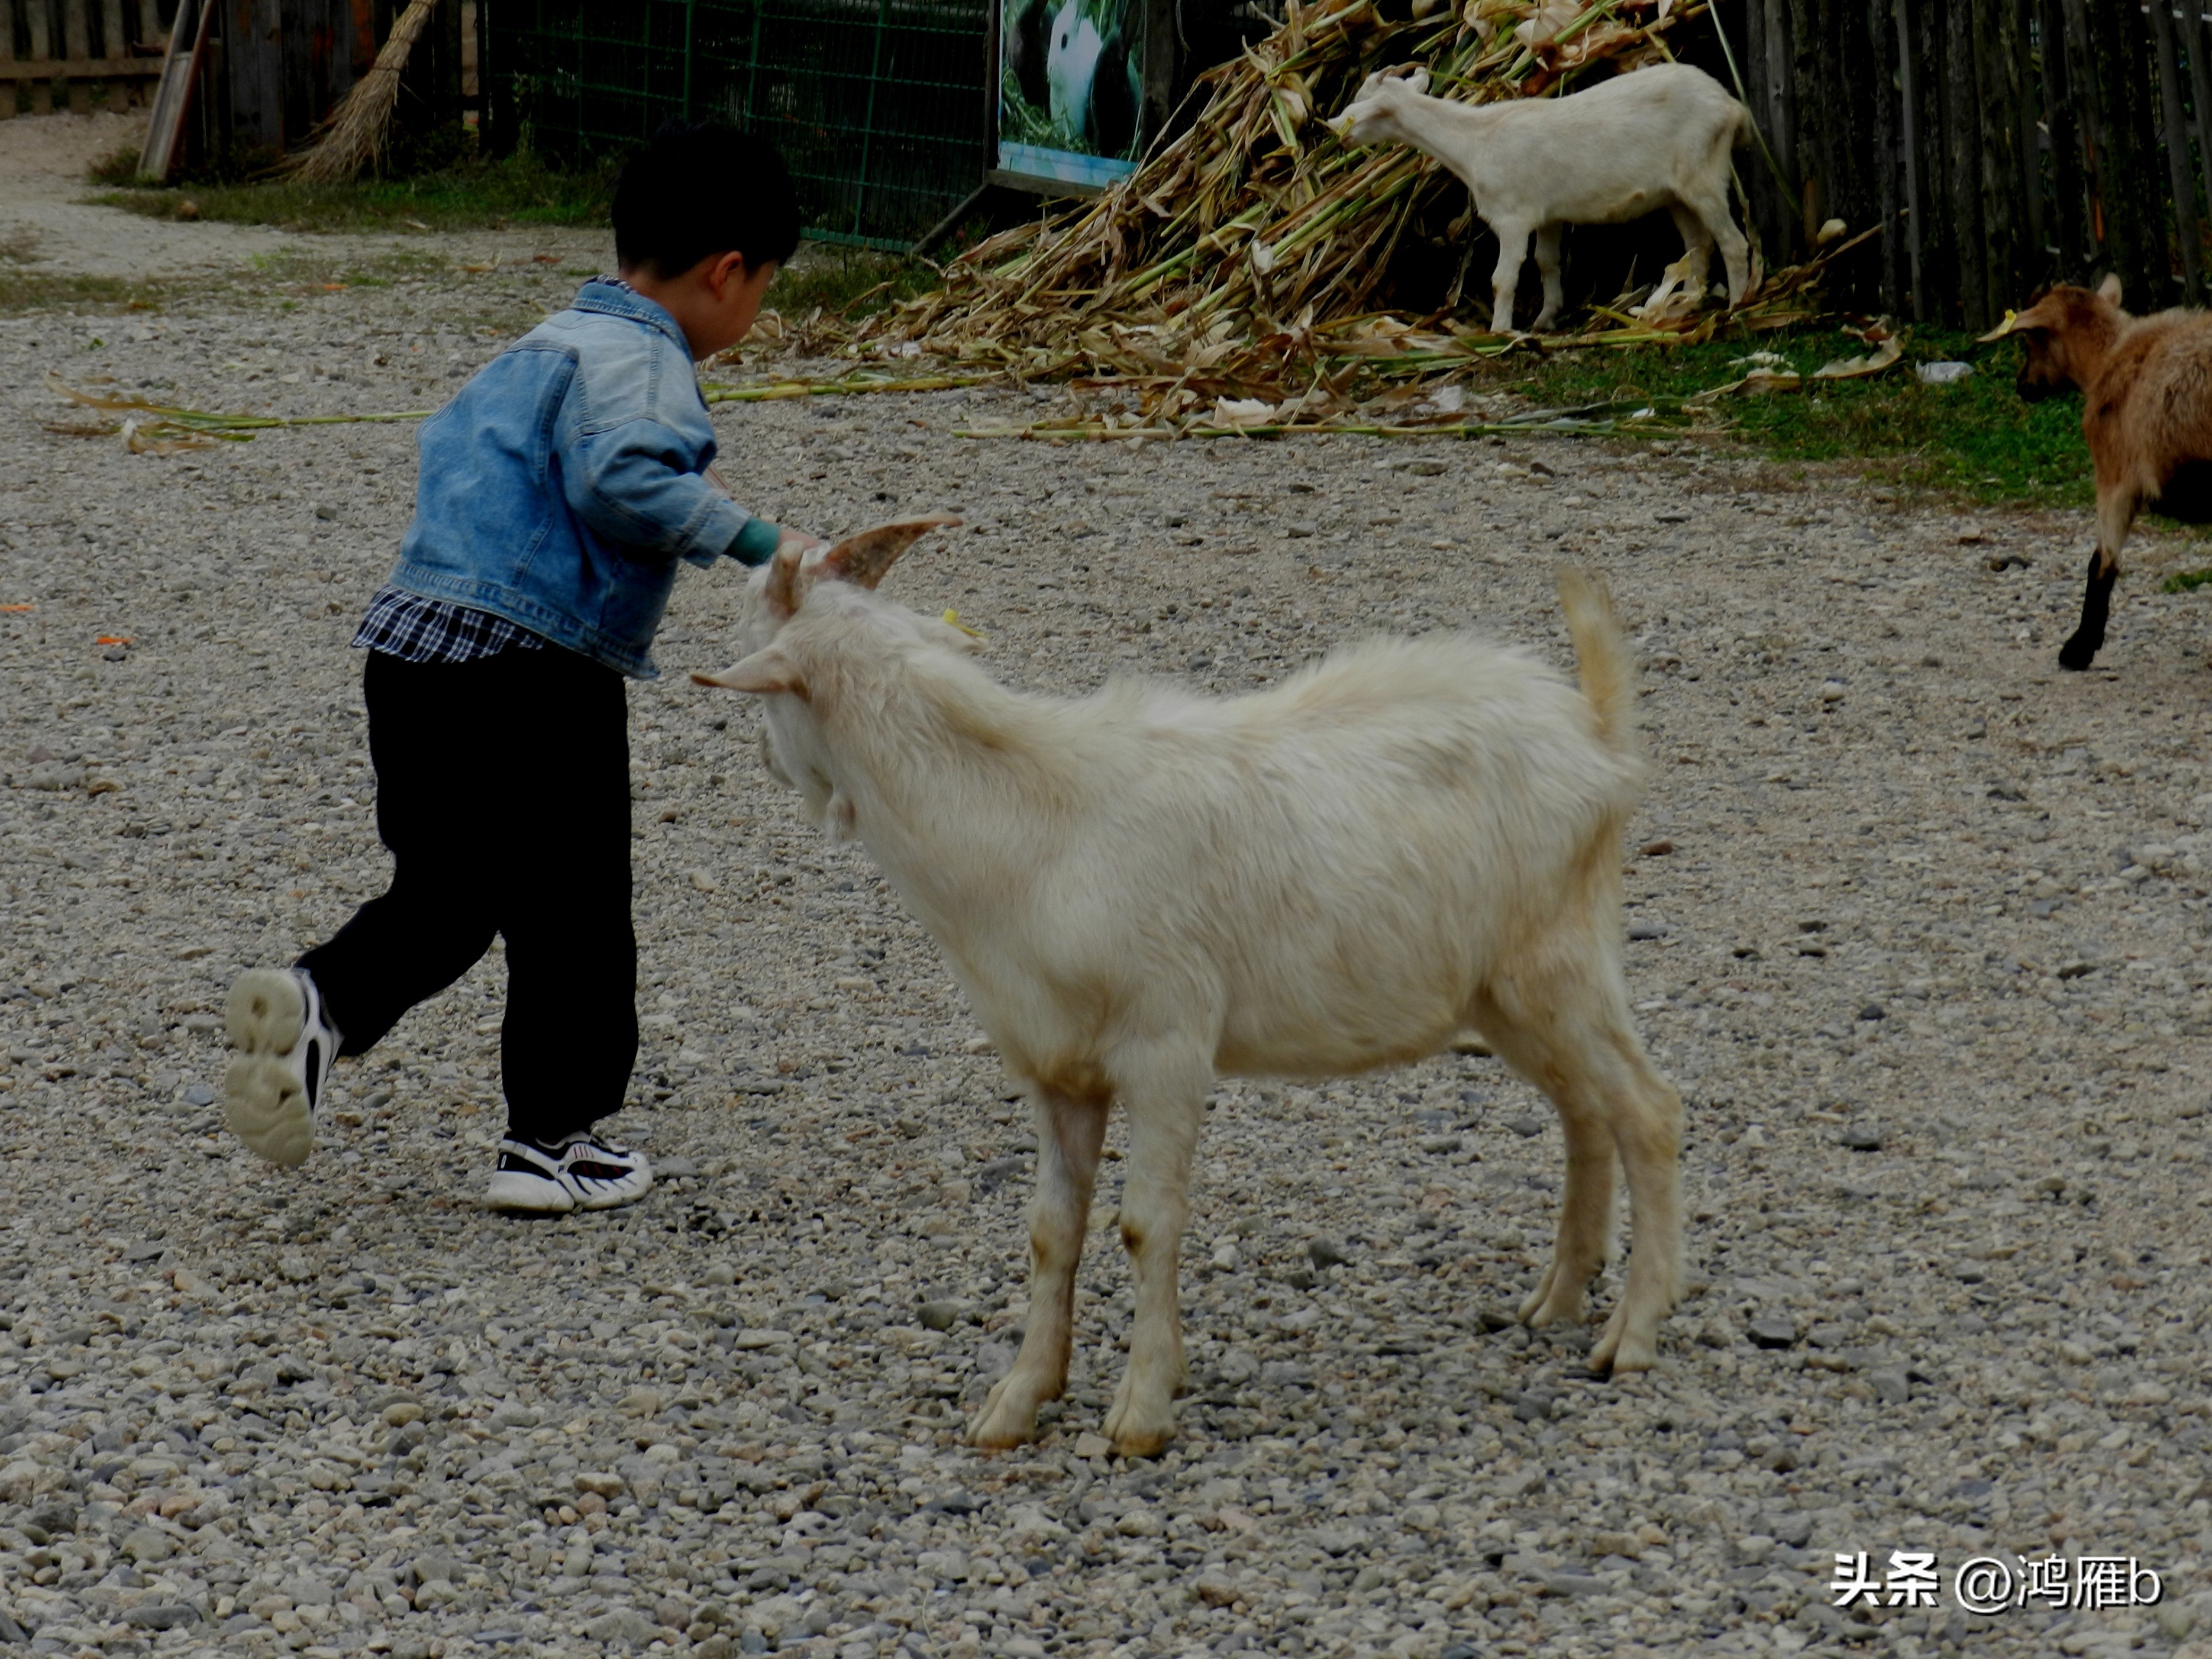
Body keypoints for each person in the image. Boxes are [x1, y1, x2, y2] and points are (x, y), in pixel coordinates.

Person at [219, 121, 815, 1215]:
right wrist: (761, 542)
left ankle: (320, 1002)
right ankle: (552, 1139)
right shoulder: (645, 361)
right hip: (532, 668)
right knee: (577, 908)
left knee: (449, 894)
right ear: (729, 271)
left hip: (414, 653)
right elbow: (621, 479)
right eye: (765, 285)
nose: (756, 310)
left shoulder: (539, 341)